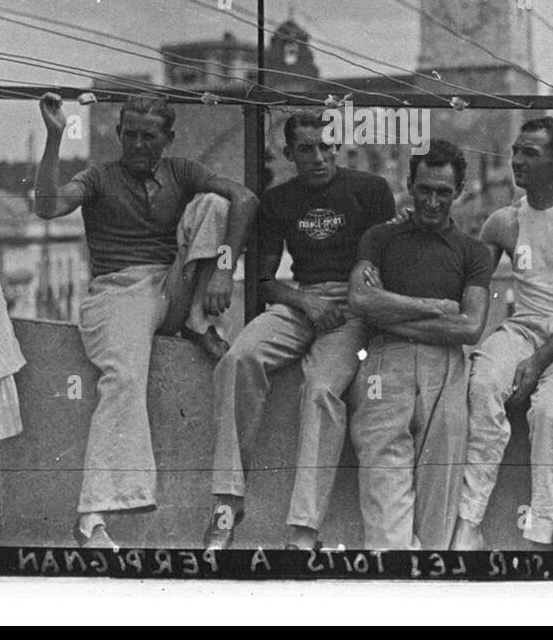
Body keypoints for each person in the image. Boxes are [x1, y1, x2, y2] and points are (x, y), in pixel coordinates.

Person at [34, 92, 258, 549]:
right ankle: (91, 517)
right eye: (129, 135)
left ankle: (198, 321)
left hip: (172, 286)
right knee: (124, 378)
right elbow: (49, 206)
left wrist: (223, 266)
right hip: (119, 291)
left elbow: (245, 198)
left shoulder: (182, 171)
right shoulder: (99, 177)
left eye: (148, 137)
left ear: (167, 139)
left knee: (215, 204)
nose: (138, 145)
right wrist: (55, 138)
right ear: (119, 135)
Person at [204, 112, 395, 550]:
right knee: (238, 358)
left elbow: (385, 262)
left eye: (326, 146)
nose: (318, 157)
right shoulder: (279, 201)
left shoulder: (370, 190)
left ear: (338, 147)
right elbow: (265, 280)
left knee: (321, 391)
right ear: (289, 154)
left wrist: (354, 302)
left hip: (354, 307)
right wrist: (304, 301)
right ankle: (226, 503)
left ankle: (303, 532)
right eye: (306, 149)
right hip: (302, 300)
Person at [451, 117, 553, 549]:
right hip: (523, 329)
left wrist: (538, 362)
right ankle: (470, 521)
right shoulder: (502, 222)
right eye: (516, 151)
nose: (517, 160)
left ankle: (542, 531)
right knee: (483, 383)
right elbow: (467, 279)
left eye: (530, 153)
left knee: (552, 414)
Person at [346, 138, 492, 550]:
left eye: (443, 192)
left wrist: (394, 316)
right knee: (384, 519)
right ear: (410, 183)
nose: (432, 201)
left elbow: (469, 328)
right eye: (424, 189)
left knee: (437, 524)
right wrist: (433, 307)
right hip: (383, 371)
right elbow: (360, 299)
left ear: (459, 192)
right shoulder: (379, 238)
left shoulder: (473, 251)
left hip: (445, 371)